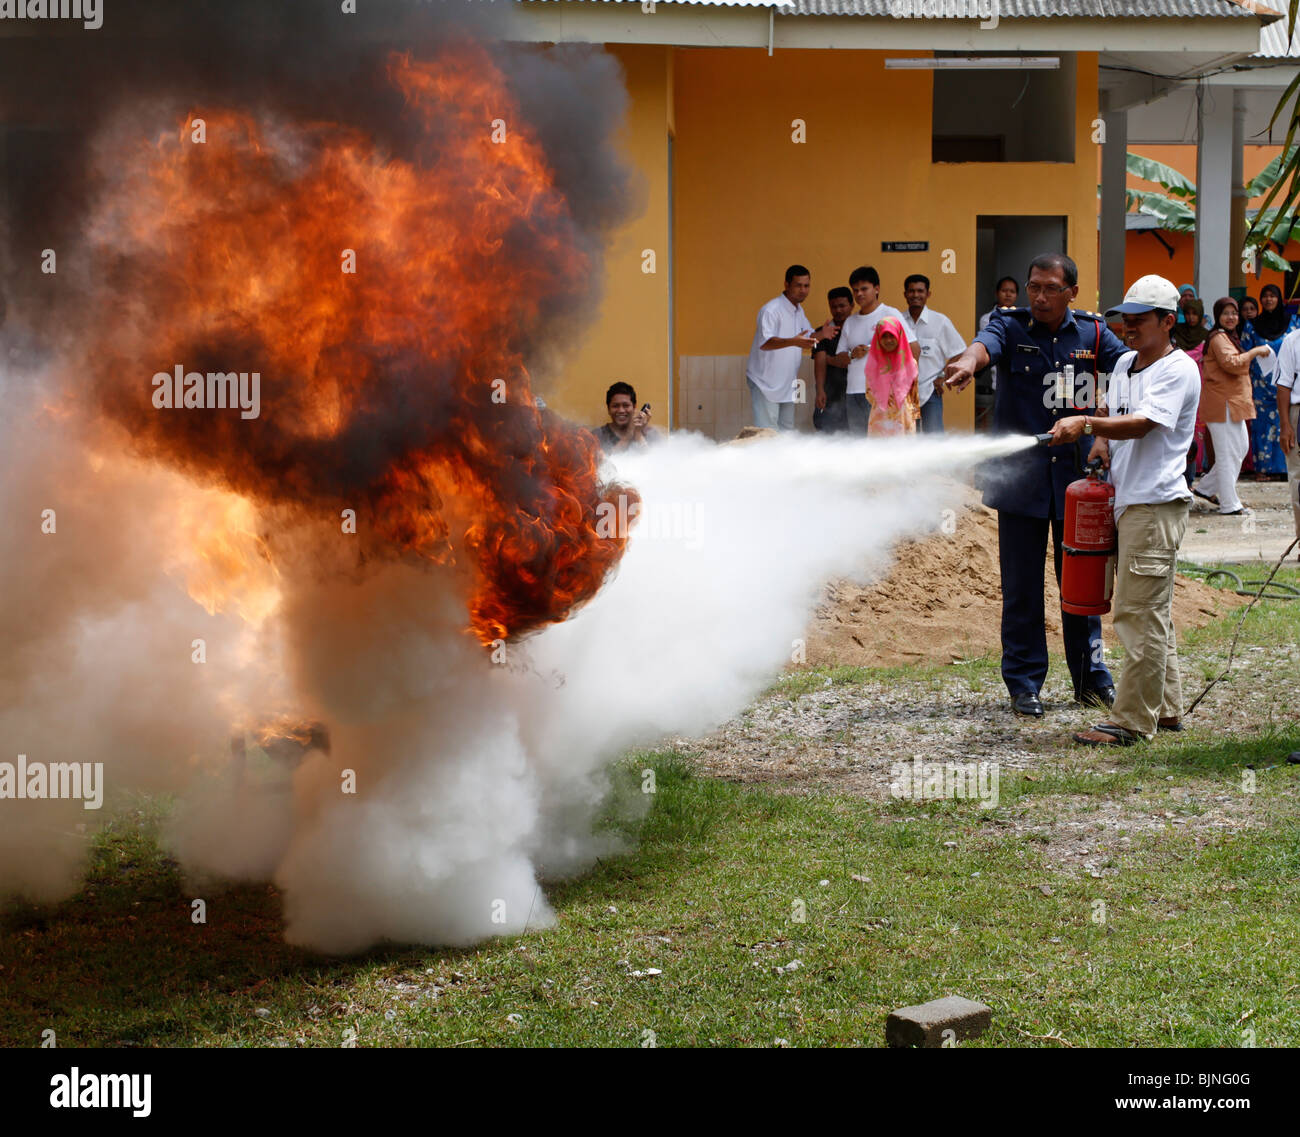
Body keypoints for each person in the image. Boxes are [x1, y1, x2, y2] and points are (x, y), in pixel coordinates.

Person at [941, 252, 1123, 718]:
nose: (1039, 297)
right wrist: (966, 364)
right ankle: (1024, 685)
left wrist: (1102, 428)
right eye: (1033, 287)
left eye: (1050, 289)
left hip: (1077, 481)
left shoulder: (1096, 332)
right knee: (1021, 587)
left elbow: (1129, 376)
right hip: (1020, 480)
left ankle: (1091, 679)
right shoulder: (1009, 326)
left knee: (1080, 585)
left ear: (1072, 293)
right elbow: (982, 347)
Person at [1045, 275, 1201, 746]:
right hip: (1128, 502)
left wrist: (1087, 421)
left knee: (1137, 613)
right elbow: (1117, 410)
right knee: (1154, 611)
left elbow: (1145, 423)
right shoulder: (1126, 364)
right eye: (1124, 320)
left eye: (1138, 320)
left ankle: (1131, 720)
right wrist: (1100, 443)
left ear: (1167, 321)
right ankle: (1167, 709)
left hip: (1155, 505)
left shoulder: (1178, 369)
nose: (1128, 328)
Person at [1196, 298, 1269, 515]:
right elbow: (1232, 364)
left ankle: (1206, 488)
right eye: (1226, 313)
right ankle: (1229, 504)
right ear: (1218, 316)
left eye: (1234, 313)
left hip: (1231, 403)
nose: (1231, 317)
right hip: (1222, 403)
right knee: (1228, 453)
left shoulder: (1228, 337)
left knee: (1239, 449)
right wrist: (1255, 352)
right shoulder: (1218, 337)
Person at [832, 265, 919, 435]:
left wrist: (898, 384)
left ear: (876, 289)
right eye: (855, 290)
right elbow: (839, 358)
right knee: (858, 444)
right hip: (854, 392)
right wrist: (852, 354)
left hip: (884, 394)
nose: (859, 294)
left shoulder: (889, 314)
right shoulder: (850, 321)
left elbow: (913, 349)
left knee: (883, 444)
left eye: (864, 289)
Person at [744, 264, 831, 431]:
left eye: (806, 286)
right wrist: (793, 341)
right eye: (798, 285)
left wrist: (823, 334)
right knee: (767, 433)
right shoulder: (771, 310)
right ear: (786, 285)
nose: (803, 290)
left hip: (788, 383)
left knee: (787, 431)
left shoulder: (799, 310)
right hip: (765, 382)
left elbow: (808, 337)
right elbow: (765, 343)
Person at [1243, 283, 1298, 481]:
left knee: (1286, 423)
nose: (1268, 299)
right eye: (1264, 296)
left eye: (1272, 296)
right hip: (1260, 387)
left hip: (1287, 385)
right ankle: (1262, 469)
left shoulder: (1292, 322)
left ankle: (1283, 469)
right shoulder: (1252, 326)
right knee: (1261, 427)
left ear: (1279, 298)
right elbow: (1245, 353)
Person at [901, 274, 966, 434]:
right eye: (911, 291)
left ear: (928, 294)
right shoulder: (899, 321)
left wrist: (943, 376)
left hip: (931, 391)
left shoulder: (940, 321)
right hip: (903, 393)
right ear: (905, 294)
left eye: (920, 291)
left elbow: (959, 351)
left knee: (934, 437)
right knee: (907, 439)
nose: (915, 295)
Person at [861, 318, 919, 436]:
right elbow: (869, 394)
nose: (888, 340)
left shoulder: (910, 363)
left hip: (904, 419)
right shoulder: (873, 364)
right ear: (878, 338)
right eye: (884, 336)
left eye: (892, 336)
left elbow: (914, 395)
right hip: (879, 420)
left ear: (900, 335)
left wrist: (913, 416)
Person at [813, 286, 855, 433]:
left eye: (842, 306)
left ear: (852, 305)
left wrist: (830, 360)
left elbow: (850, 361)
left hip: (856, 395)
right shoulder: (823, 333)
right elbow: (819, 361)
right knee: (827, 436)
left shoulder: (859, 329)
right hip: (830, 394)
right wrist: (819, 390)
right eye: (834, 307)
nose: (838, 310)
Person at [1275, 324, 1300, 548]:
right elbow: (1284, 385)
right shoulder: (1292, 341)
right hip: (1298, 413)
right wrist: (1285, 425)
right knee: (1298, 478)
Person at [595, 381, 660, 453]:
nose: (621, 410)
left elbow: (654, 461)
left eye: (626, 405)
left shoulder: (651, 433)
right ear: (608, 409)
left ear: (634, 407)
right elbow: (605, 462)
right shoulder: (598, 436)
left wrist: (638, 433)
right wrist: (629, 434)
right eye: (615, 406)